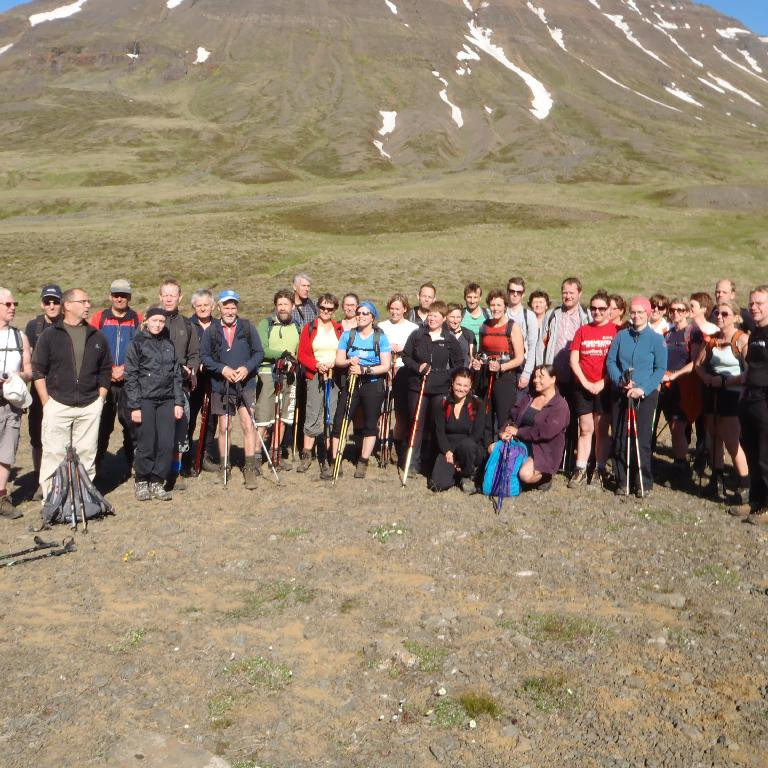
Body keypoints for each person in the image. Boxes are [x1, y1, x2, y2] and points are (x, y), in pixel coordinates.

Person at [32, 288, 112, 497]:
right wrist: (46, 403)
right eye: (83, 301)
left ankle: (82, 499)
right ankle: (52, 502)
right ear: (67, 305)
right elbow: (38, 370)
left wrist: (100, 400)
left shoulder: (97, 336)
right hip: (57, 405)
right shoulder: (49, 335)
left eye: (88, 301)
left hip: (89, 406)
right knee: (53, 456)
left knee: (87, 455)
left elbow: (105, 370)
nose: (88, 305)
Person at [199, 290, 264, 488]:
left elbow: (259, 353)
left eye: (233, 306)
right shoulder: (211, 331)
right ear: (219, 308)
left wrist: (247, 368)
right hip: (221, 386)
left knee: (247, 424)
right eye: (226, 306)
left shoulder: (247, 327)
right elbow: (205, 357)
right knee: (225, 426)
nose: (230, 310)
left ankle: (250, 468)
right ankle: (224, 467)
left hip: (245, 384)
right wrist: (223, 369)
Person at [606, 296, 667, 498]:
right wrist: (620, 381)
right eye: (633, 312)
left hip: (644, 396)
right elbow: (611, 363)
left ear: (648, 314)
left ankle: (643, 482)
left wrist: (643, 388)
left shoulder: (657, 339)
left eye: (641, 312)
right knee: (620, 437)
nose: (636, 315)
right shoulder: (621, 336)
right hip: (621, 394)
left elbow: (660, 369)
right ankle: (622, 480)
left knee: (641, 440)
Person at [124, 308, 184, 501]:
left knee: (166, 443)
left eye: (161, 321)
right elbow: (131, 376)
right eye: (154, 320)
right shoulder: (137, 343)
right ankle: (142, 480)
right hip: (145, 400)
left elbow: (176, 375)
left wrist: (178, 402)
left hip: (166, 400)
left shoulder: (169, 344)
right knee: (146, 443)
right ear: (146, 321)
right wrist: (134, 406)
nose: (158, 324)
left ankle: (157, 481)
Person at [694, 299, 749, 503]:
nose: (719, 317)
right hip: (713, 391)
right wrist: (707, 378)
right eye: (717, 313)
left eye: (725, 314)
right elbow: (697, 365)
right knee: (714, 434)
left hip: (732, 394)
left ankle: (745, 485)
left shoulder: (741, 340)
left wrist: (726, 381)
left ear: (735, 317)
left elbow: (750, 372)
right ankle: (716, 479)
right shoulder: (712, 340)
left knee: (731, 439)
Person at [330, 300, 392, 479]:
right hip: (351, 383)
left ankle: (363, 462)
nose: (361, 316)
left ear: (373, 317)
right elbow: (339, 360)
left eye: (365, 313)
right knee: (340, 421)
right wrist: (350, 361)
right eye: (359, 313)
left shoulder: (380, 337)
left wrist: (365, 369)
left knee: (370, 424)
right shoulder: (348, 335)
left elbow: (386, 365)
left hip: (373, 384)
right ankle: (335, 460)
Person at [401, 301, 463, 474]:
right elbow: (406, 356)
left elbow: (459, 363)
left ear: (443, 318)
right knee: (416, 424)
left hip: (440, 389)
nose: (432, 318)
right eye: (430, 314)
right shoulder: (417, 335)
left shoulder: (449, 338)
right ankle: (412, 462)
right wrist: (418, 367)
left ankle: (433, 461)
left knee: (437, 424)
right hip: (417, 387)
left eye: (436, 315)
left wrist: (446, 375)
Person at [90, 278, 142, 479]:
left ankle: (135, 465)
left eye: (124, 295)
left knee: (131, 425)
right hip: (104, 382)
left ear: (129, 297)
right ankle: (95, 467)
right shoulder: (99, 318)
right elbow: (92, 349)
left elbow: (142, 349)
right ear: (110, 296)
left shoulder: (138, 319)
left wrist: (126, 369)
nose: (120, 298)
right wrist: (109, 369)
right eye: (116, 295)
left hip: (130, 382)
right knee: (101, 426)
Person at [567, 290, 616, 488]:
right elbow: (573, 360)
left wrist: (602, 383)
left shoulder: (615, 331)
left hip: (605, 387)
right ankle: (580, 467)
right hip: (583, 387)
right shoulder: (582, 331)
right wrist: (586, 383)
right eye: (593, 308)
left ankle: (599, 468)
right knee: (585, 428)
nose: (597, 312)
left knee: (601, 429)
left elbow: (617, 362)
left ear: (608, 310)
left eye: (601, 309)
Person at [497, 364, 570, 491]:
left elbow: (545, 432)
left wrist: (518, 432)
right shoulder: (529, 398)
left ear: (553, 379)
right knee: (492, 449)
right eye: (535, 377)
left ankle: (545, 477)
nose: (536, 380)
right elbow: (512, 416)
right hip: (520, 441)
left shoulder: (560, 406)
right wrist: (504, 431)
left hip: (543, 449)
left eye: (541, 377)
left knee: (525, 475)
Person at [158, 278, 200, 490]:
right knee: (158, 430)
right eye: (165, 294)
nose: (168, 298)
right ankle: (158, 472)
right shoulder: (152, 322)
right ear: (160, 297)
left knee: (180, 429)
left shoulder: (187, 325)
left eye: (172, 294)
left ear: (180, 297)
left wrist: (190, 368)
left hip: (180, 387)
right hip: (155, 388)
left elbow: (194, 355)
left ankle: (176, 471)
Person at [254, 289, 302, 471]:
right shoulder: (266, 324)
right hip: (268, 373)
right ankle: (256, 456)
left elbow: (299, 352)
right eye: (279, 304)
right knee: (264, 416)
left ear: (292, 306)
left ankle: (276, 453)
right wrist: (282, 355)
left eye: (286, 305)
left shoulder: (298, 326)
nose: (283, 308)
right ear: (275, 306)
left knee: (282, 417)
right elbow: (262, 348)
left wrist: (293, 361)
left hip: (290, 375)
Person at [296, 293, 343, 477]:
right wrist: (317, 365)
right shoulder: (309, 328)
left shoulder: (339, 329)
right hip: (315, 374)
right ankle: (307, 454)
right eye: (323, 307)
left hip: (334, 375)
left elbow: (343, 351)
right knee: (313, 411)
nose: (325, 311)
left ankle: (329, 454)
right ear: (318, 308)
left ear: (334, 310)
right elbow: (302, 354)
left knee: (330, 413)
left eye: (329, 309)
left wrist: (334, 363)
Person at [734, 285, 768, 523]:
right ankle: (756, 500)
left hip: (765, 399)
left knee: (766, 455)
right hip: (750, 398)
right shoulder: (755, 332)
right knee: (752, 450)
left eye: (760, 303)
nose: (754, 307)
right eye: (752, 303)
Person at [25, 284, 62, 498]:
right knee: (37, 435)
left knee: (60, 435)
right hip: (38, 390)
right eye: (47, 301)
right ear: (41, 303)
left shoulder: (69, 324)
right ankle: (41, 479)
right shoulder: (33, 326)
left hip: (61, 388)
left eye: (55, 301)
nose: (51, 305)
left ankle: (60, 478)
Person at [471, 290, 525, 435]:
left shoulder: (512, 327)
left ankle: (504, 454)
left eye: (499, 305)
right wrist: (477, 362)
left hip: (505, 378)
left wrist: (501, 366)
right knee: (485, 418)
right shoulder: (484, 326)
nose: (495, 308)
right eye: (492, 305)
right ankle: (486, 453)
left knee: (504, 419)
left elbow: (520, 358)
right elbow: (481, 352)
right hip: (485, 376)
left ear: (505, 306)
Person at [0, 288, 32, 519]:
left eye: (14, 304)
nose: (13, 308)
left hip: (11, 402)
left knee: (7, 451)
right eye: (8, 304)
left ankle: (2, 498)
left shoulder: (20, 337)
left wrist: (20, 377)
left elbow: (29, 370)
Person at [429, 368, 486, 493]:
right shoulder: (443, 403)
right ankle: (456, 474)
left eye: (466, 385)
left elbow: (477, 433)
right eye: (458, 384)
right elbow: (439, 432)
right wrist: (448, 452)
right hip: (449, 448)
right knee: (437, 484)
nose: (461, 389)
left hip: (469, 448)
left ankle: (467, 475)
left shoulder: (478, 404)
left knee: (467, 446)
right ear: (452, 383)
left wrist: (461, 457)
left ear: (470, 386)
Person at [378, 293, 419, 463]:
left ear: (405, 310)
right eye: (392, 308)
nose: (394, 312)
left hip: (403, 372)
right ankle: (383, 446)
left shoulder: (412, 328)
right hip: (384, 371)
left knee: (400, 413)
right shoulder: (381, 326)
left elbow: (416, 351)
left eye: (398, 309)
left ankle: (396, 445)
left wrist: (403, 349)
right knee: (383, 412)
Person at [187, 289, 218, 472]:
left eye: (206, 305)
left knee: (211, 419)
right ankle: (188, 454)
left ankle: (205, 454)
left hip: (214, 379)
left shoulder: (219, 325)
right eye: (199, 305)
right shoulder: (188, 325)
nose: (203, 308)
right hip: (193, 380)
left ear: (213, 306)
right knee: (189, 417)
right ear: (194, 307)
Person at [506, 277, 538, 391]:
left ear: (523, 294)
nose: (515, 295)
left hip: (521, 368)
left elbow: (532, 346)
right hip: (503, 364)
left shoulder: (529, 316)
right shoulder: (500, 313)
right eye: (512, 291)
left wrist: (527, 373)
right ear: (507, 292)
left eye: (518, 292)